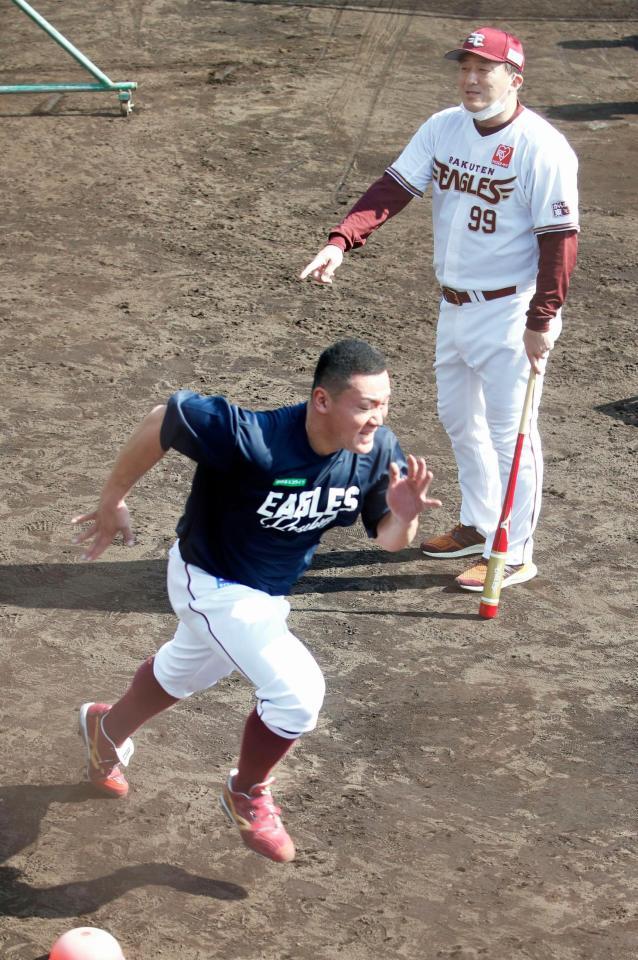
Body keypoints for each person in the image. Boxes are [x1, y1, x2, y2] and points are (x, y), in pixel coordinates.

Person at [71, 338, 441, 864]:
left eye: (384, 405)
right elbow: (164, 417)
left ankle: (104, 731)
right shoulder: (254, 438)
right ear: (322, 401)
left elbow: (389, 539)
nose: (376, 419)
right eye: (364, 406)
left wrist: (403, 516)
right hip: (210, 581)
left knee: (185, 671)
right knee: (297, 694)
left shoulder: (377, 451)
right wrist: (113, 500)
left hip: (266, 595)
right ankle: (245, 791)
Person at [300, 26, 579, 593]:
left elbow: (560, 239)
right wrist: (340, 240)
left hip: (511, 311)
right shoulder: (443, 127)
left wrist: (542, 319)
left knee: (511, 433)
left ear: (514, 77)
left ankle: (515, 548)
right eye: (465, 68)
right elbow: (393, 188)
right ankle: (480, 524)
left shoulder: (542, 148)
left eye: (485, 69)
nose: (472, 80)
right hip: (455, 305)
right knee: (460, 419)